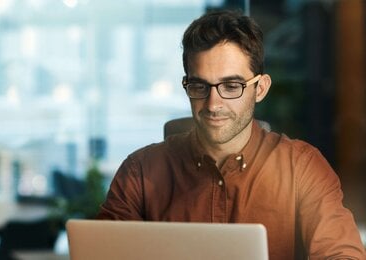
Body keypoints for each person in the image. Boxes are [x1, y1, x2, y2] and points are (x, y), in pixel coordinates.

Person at [96, 10, 366, 259]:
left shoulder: (302, 168)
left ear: (260, 88)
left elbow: (344, 256)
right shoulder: (140, 173)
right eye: (199, 86)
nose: (213, 104)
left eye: (231, 85)